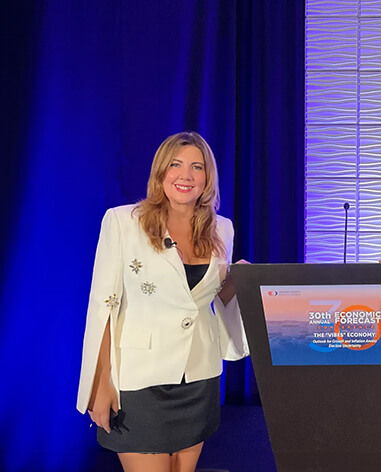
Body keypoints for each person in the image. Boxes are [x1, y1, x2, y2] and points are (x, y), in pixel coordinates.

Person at [76, 131, 248, 472]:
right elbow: (104, 306)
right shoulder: (124, 222)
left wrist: (240, 281)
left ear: (207, 177)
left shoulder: (222, 229)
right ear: (161, 172)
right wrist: (100, 384)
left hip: (199, 374)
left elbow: (211, 296)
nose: (186, 175)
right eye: (176, 165)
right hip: (139, 380)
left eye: (197, 167)